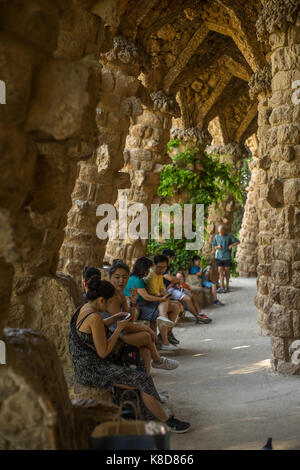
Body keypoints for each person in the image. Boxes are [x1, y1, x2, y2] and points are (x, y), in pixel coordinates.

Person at [68, 276, 190, 432]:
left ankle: (147, 410)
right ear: (101, 300)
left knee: (140, 359)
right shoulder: (94, 317)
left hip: (85, 363)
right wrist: (119, 328)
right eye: (109, 302)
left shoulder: (83, 308)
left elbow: (90, 330)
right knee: (142, 379)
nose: (110, 305)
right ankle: (167, 421)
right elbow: (104, 352)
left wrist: (113, 319)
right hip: (91, 369)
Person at [107, 259, 179, 372]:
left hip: (120, 334)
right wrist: (147, 329)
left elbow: (128, 320)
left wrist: (134, 303)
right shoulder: (110, 296)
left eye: (125, 277)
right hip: (111, 340)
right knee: (146, 336)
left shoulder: (120, 294)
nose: (121, 281)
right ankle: (158, 361)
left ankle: (144, 383)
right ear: (110, 277)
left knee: (145, 352)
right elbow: (124, 326)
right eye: (117, 277)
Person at [123, 257, 178, 351]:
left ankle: (164, 334)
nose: (149, 271)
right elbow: (146, 297)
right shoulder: (136, 280)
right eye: (148, 269)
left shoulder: (139, 279)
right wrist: (160, 298)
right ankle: (165, 342)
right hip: (139, 307)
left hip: (144, 304)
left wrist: (161, 297)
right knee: (163, 306)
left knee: (174, 307)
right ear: (143, 269)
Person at [161, 250, 212, 324]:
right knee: (187, 299)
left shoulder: (167, 266)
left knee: (193, 295)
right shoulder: (162, 266)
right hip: (168, 290)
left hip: (173, 286)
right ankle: (197, 316)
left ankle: (200, 313)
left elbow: (172, 279)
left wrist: (176, 281)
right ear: (169, 257)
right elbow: (171, 279)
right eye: (172, 259)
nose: (171, 261)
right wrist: (176, 280)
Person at [145, 254, 182, 348]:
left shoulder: (160, 275)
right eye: (159, 267)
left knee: (176, 307)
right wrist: (164, 296)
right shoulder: (151, 275)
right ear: (154, 264)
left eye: (164, 267)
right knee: (164, 309)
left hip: (159, 301)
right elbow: (153, 294)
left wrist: (168, 298)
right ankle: (165, 342)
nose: (162, 270)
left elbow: (163, 290)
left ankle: (164, 335)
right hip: (150, 303)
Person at [212, 224, 240, 293]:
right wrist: (217, 247)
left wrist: (231, 245)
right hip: (219, 256)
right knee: (220, 270)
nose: (220, 233)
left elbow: (238, 241)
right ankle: (222, 287)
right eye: (219, 232)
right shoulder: (216, 236)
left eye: (222, 232)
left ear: (225, 231)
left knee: (227, 270)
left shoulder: (229, 236)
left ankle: (227, 286)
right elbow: (213, 246)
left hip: (227, 256)